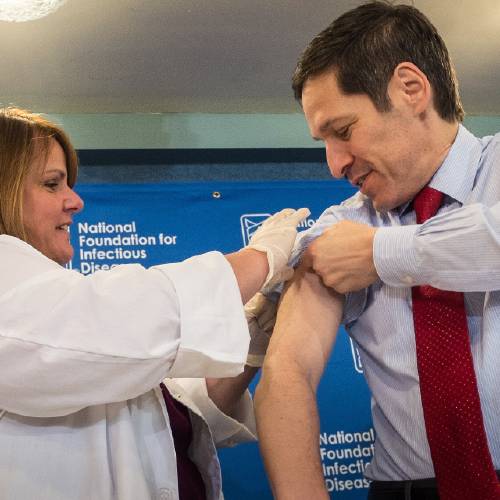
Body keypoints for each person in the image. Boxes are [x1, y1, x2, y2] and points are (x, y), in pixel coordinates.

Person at [255, 2, 500, 499]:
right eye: (323, 141)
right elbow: (287, 372)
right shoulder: (342, 229)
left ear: (411, 88)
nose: (334, 164)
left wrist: (381, 254)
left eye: (342, 131)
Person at [0, 106, 309, 500]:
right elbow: (114, 326)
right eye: (51, 184)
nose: (75, 200)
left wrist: (247, 343)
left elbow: (165, 412)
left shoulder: (60, 314)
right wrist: (262, 257)